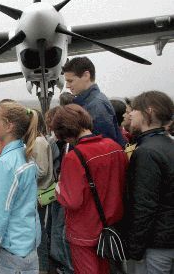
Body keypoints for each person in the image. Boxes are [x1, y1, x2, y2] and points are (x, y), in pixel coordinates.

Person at [52, 104, 128, 274]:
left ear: (64, 131)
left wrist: (59, 188)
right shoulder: (114, 147)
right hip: (112, 226)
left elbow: (72, 200)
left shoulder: (74, 156)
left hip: (84, 231)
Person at [0, 102, 40, 273]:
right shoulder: (25, 153)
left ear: (9, 126)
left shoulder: (5, 164)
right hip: (28, 244)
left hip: (12, 253)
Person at [123, 91, 174, 274]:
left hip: (155, 244)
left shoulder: (146, 152)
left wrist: (134, 249)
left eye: (134, 110)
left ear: (149, 111)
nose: (130, 114)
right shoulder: (168, 144)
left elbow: (144, 205)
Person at [63, 57, 126, 146]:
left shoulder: (96, 106)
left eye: (70, 81)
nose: (67, 86)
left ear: (86, 76)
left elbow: (103, 149)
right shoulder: (92, 102)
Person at [45, 107, 74, 274]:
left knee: (58, 227)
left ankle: (63, 264)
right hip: (61, 190)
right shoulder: (66, 143)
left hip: (59, 191)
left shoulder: (54, 143)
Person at [32, 109, 54, 274]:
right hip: (38, 194)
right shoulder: (40, 140)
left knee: (39, 232)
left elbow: (41, 170)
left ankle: (42, 268)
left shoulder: (39, 142)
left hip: (39, 194)